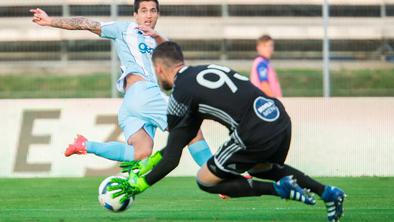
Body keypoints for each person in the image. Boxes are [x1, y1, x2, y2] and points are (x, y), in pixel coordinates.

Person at [108, 42, 346, 222]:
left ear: (159, 69)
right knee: (262, 167)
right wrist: (148, 165)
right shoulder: (205, 71)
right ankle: (328, 193)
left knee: (205, 180)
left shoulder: (180, 95)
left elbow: (172, 158)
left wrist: (140, 185)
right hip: (278, 117)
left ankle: (280, 189)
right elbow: (175, 146)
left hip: (254, 130)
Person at [29, 0, 212, 167]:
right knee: (191, 130)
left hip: (133, 103)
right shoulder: (125, 30)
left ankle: (86, 145)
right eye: (143, 10)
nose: (148, 15)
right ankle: (217, 176)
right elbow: (85, 23)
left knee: (141, 152)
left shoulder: (162, 40)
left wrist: (157, 37)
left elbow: (176, 65)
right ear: (135, 15)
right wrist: (50, 21)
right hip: (143, 93)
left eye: (153, 11)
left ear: (157, 14)